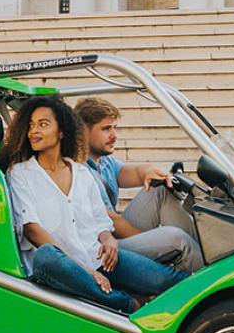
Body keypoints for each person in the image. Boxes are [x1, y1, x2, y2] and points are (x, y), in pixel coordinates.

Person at [0, 95, 186, 314]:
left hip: (97, 256)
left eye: (43, 124)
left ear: (62, 131)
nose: (34, 131)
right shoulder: (21, 174)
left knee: (170, 280)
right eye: (31, 125)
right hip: (64, 267)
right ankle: (126, 304)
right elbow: (32, 230)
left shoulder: (81, 173)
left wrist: (109, 240)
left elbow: (101, 222)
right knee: (45, 256)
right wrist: (87, 271)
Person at [75, 97, 204, 274]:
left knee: (160, 189)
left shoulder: (104, 162)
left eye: (114, 128)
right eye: (106, 129)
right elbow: (112, 222)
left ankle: (201, 256)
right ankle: (210, 281)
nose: (114, 135)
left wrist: (149, 171)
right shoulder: (77, 169)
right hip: (102, 247)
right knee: (176, 239)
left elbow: (135, 172)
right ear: (83, 132)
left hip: (116, 236)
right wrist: (154, 239)